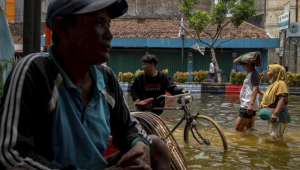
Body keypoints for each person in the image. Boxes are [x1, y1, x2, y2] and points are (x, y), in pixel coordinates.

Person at [0, 0, 171, 170]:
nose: (109, 34)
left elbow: (129, 127)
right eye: (99, 23)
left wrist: (140, 145)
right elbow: (12, 154)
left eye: (108, 24)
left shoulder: (106, 77)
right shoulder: (35, 71)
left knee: (155, 146)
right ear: (62, 27)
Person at [257, 64, 291, 140]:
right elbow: (272, 99)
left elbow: (282, 99)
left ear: (275, 73)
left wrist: (275, 114)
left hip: (278, 117)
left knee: (275, 139)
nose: (267, 72)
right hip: (273, 116)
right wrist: (260, 92)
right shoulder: (274, 84)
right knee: (271, 137)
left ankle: (280, 151)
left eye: (269, 71)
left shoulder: (281, 83)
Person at [235, 63, 261, 131]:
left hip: (248, 104)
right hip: (247, 104)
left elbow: (255, 89)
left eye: (244, 65)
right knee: (250, 128)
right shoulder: (251, 74)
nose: (243, 67)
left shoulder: (254, 74)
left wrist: (250, 104)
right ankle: (251, 141)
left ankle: (240, 141)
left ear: (250, 65)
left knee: (238, 128)